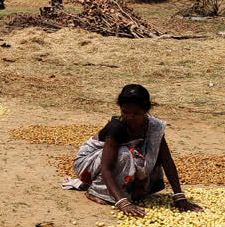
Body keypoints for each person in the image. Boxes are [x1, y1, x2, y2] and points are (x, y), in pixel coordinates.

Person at [69, 84, 203, 217]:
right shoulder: (117, 127)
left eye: (136, 113)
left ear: (146, 111)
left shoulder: (154, 128)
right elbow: (106, 168)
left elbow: (166, 161)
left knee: (149, 152)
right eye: (125, 112)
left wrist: (180, 197)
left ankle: (129, 192)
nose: (129, 117)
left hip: (115, 163)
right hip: (89, 163)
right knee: (125, 154)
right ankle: (97, 192)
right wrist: (123, 203)